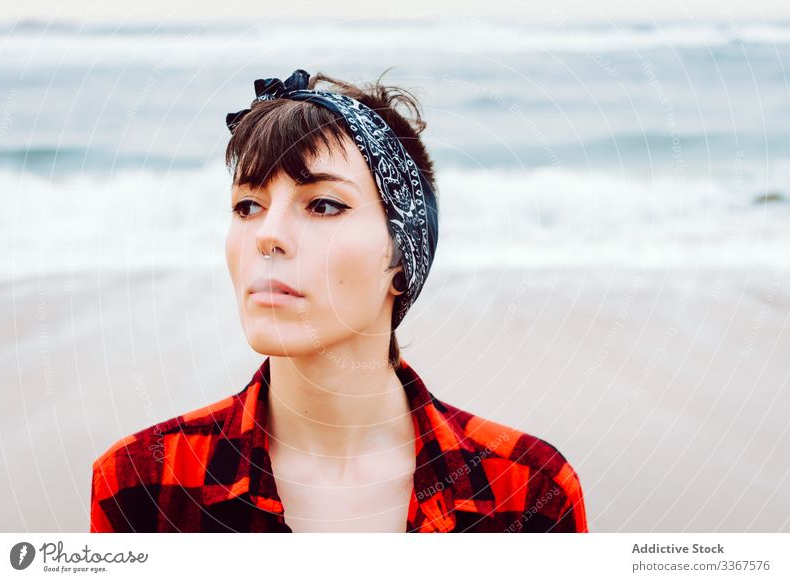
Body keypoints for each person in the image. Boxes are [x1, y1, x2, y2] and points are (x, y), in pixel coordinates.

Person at [90, 68, 588, 533]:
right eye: (247, 205)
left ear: (400, 259)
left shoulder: (526, 491)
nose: (267, 235)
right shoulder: (144, 483)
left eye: (324, 205)